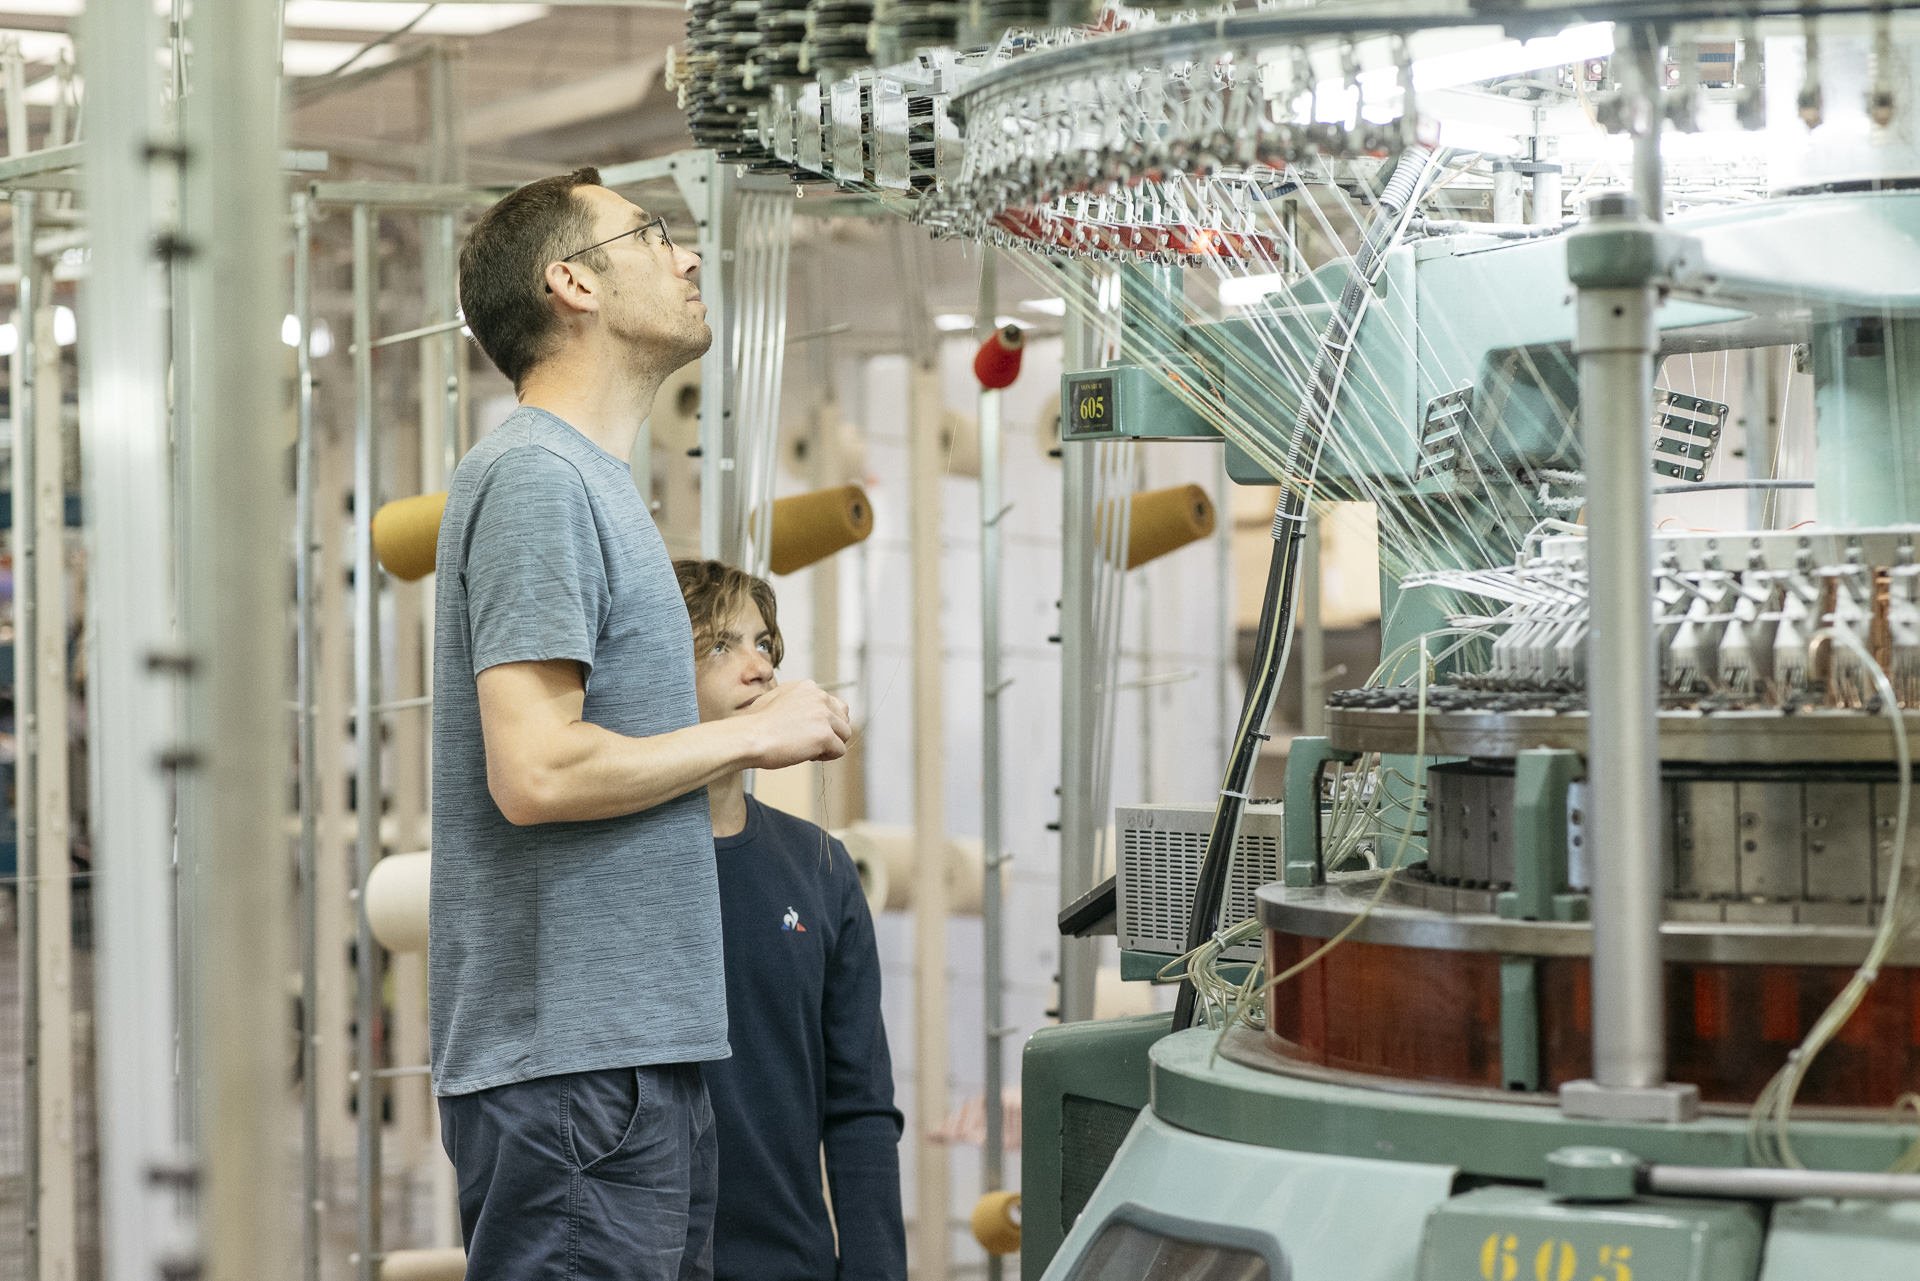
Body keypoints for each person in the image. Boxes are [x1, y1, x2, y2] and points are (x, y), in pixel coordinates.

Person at [430, 167, 852, 1281]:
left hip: (631, 1060)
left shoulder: (595, 483)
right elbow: (536, 770)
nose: (687, 255)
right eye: (651, 233)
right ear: (571, 281)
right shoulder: (536, 479)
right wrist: (750, 738)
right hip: (573, 1069)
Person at [675, 559, 907, 1281]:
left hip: (791, 1265)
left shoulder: (821, 866)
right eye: (720, 645)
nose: (759, 668)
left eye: (765, 643)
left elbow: (861, 1107)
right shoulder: (612, 870)